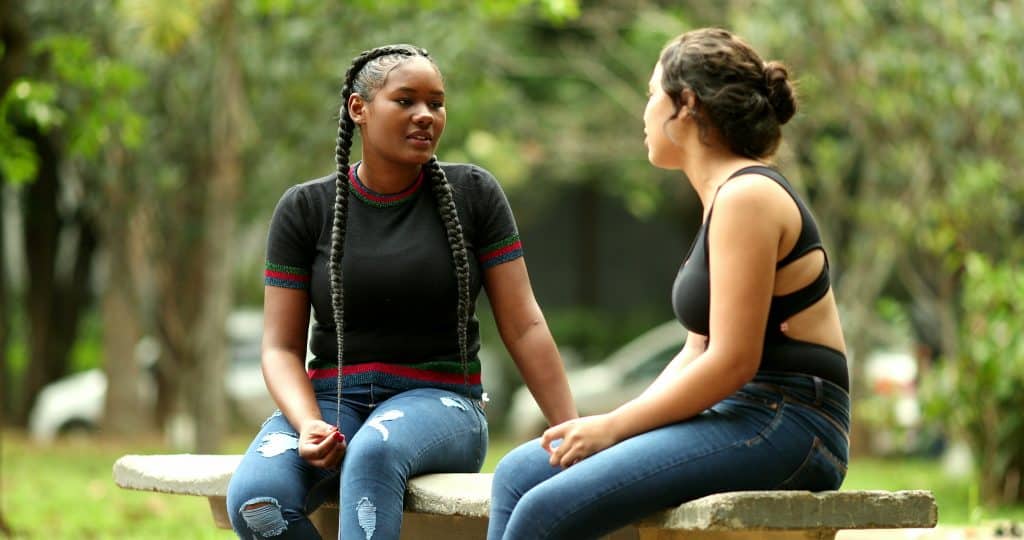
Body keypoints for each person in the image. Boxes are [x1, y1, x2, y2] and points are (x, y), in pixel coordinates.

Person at [487, 27, 851, 540]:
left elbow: (732, 360)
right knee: (518, 474)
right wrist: (620, 422)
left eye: (651, 94)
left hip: (790, 421)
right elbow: (696, 349)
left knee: (544, 510)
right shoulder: (722, 200)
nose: (644, 111)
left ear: (686, 105)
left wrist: (613, 428)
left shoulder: (748, 196)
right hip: (747, 413)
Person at [226, 44, 577, 540]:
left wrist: (573, 431)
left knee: (373, 451)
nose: (425, 116)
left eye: (436, 103)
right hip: (331, 401)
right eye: (406, 101)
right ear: (359, 109)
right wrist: (306, 423)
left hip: (444, 405)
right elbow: (280, 347)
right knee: (256, 503)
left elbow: (524, 325)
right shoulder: (306, 209)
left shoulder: (473, 194)